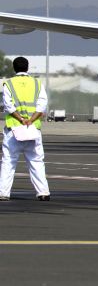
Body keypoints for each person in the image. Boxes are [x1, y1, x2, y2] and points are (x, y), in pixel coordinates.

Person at [0, 57, 50, 200]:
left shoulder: (8, 84)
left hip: (14, 129)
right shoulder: (37, 84)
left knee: (8, 161)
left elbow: (8, 106)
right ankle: (43, 192)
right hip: (33, 128)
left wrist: (21, 119)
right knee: (36, 161)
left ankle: (3, 193)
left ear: (14, 68)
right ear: (27, 68)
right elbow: (42, 106)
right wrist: (30, 120)